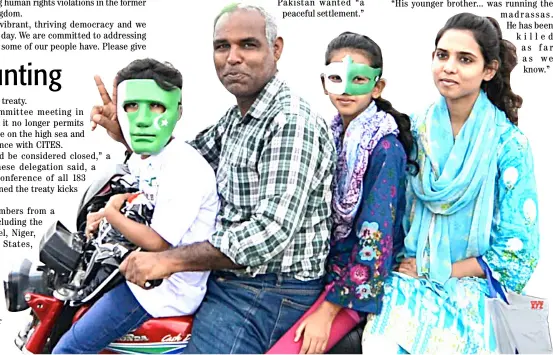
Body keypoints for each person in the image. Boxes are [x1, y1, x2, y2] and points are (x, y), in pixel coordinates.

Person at [89, 4, 336, 354]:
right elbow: (183, 159)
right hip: (230, 274)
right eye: (222, 46)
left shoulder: (290, 123)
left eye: (248, 45)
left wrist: (168, 260)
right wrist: (129, 135)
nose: (232, 57)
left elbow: (269, 232)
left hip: (269, 288)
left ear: (275, 49)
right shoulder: (238, 117)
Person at [361, 13, 540, 353]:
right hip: (408, 282)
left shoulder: (508, 145)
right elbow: (388, 213)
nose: (449, 67)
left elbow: (519, 251)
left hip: (474, 287)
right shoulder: (412, 132)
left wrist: (438, 269)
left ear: (488, 70)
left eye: (465, 59)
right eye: (442, 55)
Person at [53, 58, 220, 354]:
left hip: (164, 290)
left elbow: (158, 242)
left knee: (67, 349)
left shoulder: (184, 167)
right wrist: (120, 200)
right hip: (146, 273)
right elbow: (145, 192)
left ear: (177, 111)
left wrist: (109, 214)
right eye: (131, 106)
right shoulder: (156, 156)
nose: (142, 118)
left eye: (156, 106)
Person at [267, 31, 415, 354]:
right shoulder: (329, 134)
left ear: (378, 87)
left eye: (359, 79)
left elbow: (375, 241)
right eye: (336, 78)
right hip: (320, 273)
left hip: (355, 286)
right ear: (324, 83)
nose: (346, 88)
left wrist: (327, 312)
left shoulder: (385, 147)